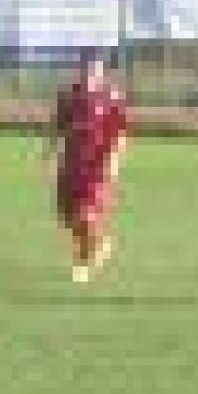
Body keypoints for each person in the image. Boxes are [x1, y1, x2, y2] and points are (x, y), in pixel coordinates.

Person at [50, 52, 130, 284]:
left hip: (97, 165)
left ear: (102, 73)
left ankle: (83, 264)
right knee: (71, 220)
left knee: (87, 217)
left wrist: (114, 158)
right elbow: (58, 127)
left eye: (93, 71)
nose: (88, 75)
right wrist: (51, 152)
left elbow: (121, 133)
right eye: (85, 70)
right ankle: (101, 244)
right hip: (71, 165)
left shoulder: (112, 97)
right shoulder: (68, 95)